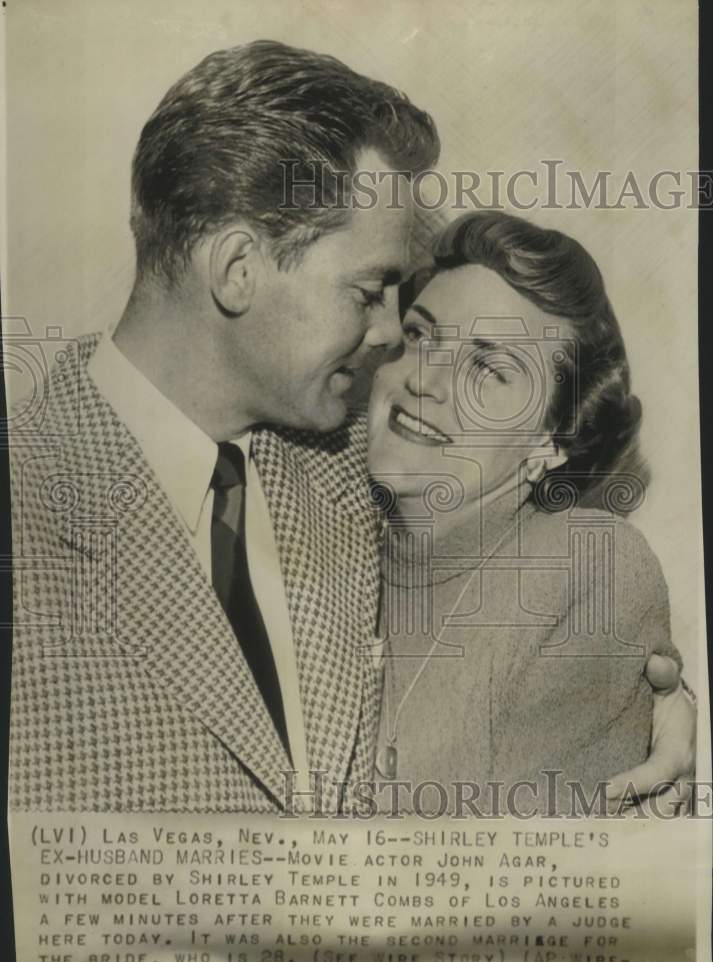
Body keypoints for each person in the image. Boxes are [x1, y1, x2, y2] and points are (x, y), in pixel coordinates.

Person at [8, 43, 692, 815]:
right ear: (237, 269)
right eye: (369, 291)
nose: (392, 334)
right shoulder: (28, 506)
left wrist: (637, 699)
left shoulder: (343, 456)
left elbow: (499, 539)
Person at [368, 210, 695, 815]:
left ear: (552, 441)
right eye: (421, 336)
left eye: (488, 369)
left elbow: (517, 884)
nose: (425, 381)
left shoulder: (585, 568)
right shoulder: (309, 515)